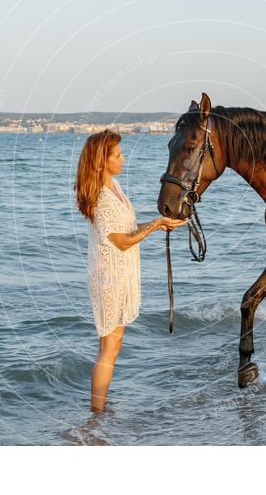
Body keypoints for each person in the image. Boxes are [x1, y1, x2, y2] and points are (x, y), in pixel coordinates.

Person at [74, 129, 187, 413]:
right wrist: (154, 225)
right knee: (108, 349)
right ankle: (97, 414)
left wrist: (158, 223)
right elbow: (122, 242)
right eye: (118, 155)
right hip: (108, 277)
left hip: (120, 274)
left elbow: (127, 231)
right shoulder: (101, 197)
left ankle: (101, 408)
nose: (124, 159)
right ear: (102, 161)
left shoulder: (114, 188)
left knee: (114, 346)